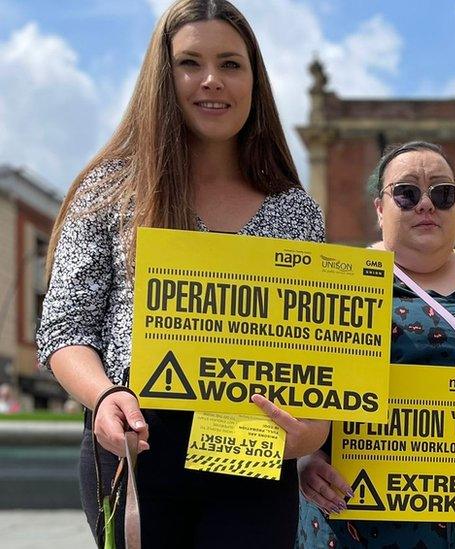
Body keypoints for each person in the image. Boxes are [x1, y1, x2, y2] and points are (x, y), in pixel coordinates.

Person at [36, 1, 329, 547]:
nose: (212, 80)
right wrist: (102, 397)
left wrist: (314, 433)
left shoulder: (296, 212)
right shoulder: (109, 190)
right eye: (190, 63)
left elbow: (319, 359)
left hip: (249, 439)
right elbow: (65, 329)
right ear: (161, 77)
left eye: (231, 64)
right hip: (139, 441)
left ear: (255, 80)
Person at [295, 141, 455, 548]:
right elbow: (302, 383)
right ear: (380, 208)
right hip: (359, 524)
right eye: (407, 192)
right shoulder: (340, 283)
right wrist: (306, 457)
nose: (425, 204)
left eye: (442, 193)